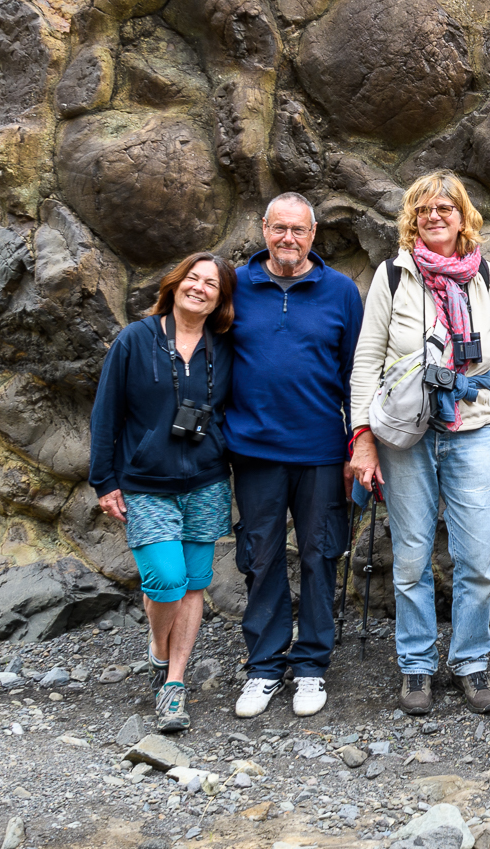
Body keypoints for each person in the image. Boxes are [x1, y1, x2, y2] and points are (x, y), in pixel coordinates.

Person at [347, 171, 490, 716]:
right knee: (412, 558)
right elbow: (366, 363)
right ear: (412, 219)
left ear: (463, 216)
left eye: (446, 207)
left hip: (472, 429)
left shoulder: (483, 276)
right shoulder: (392, 277)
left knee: (476, 557)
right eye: (424, 209)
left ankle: (471, 662)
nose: (435, 216)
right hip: (405, 436)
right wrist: (362, 441)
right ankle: (416, 665)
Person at [226, 193, 366, 718]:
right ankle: (264, 666)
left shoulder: (340, 291)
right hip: (254, 451)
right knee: (260, 558)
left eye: (299, 230)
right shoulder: (236, 285)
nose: (289, 238)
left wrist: (361, 443)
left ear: (314, 234)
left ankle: (310, 665)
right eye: (279, 228)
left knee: (320, 555)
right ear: (264, 228)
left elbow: (358, 373)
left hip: (321, 451)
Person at [88, 252, 237, 736]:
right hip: (146, 484)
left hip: (207, 482)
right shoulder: (135, 339)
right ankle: (157, 649)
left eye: (210, 284)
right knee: (166, 580)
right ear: (173, 284)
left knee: (195, 581)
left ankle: (174, 683)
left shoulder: (225, 349)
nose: (199, 288)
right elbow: (105, 413)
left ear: (220, 299)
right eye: (192, 278)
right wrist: (104, 479)